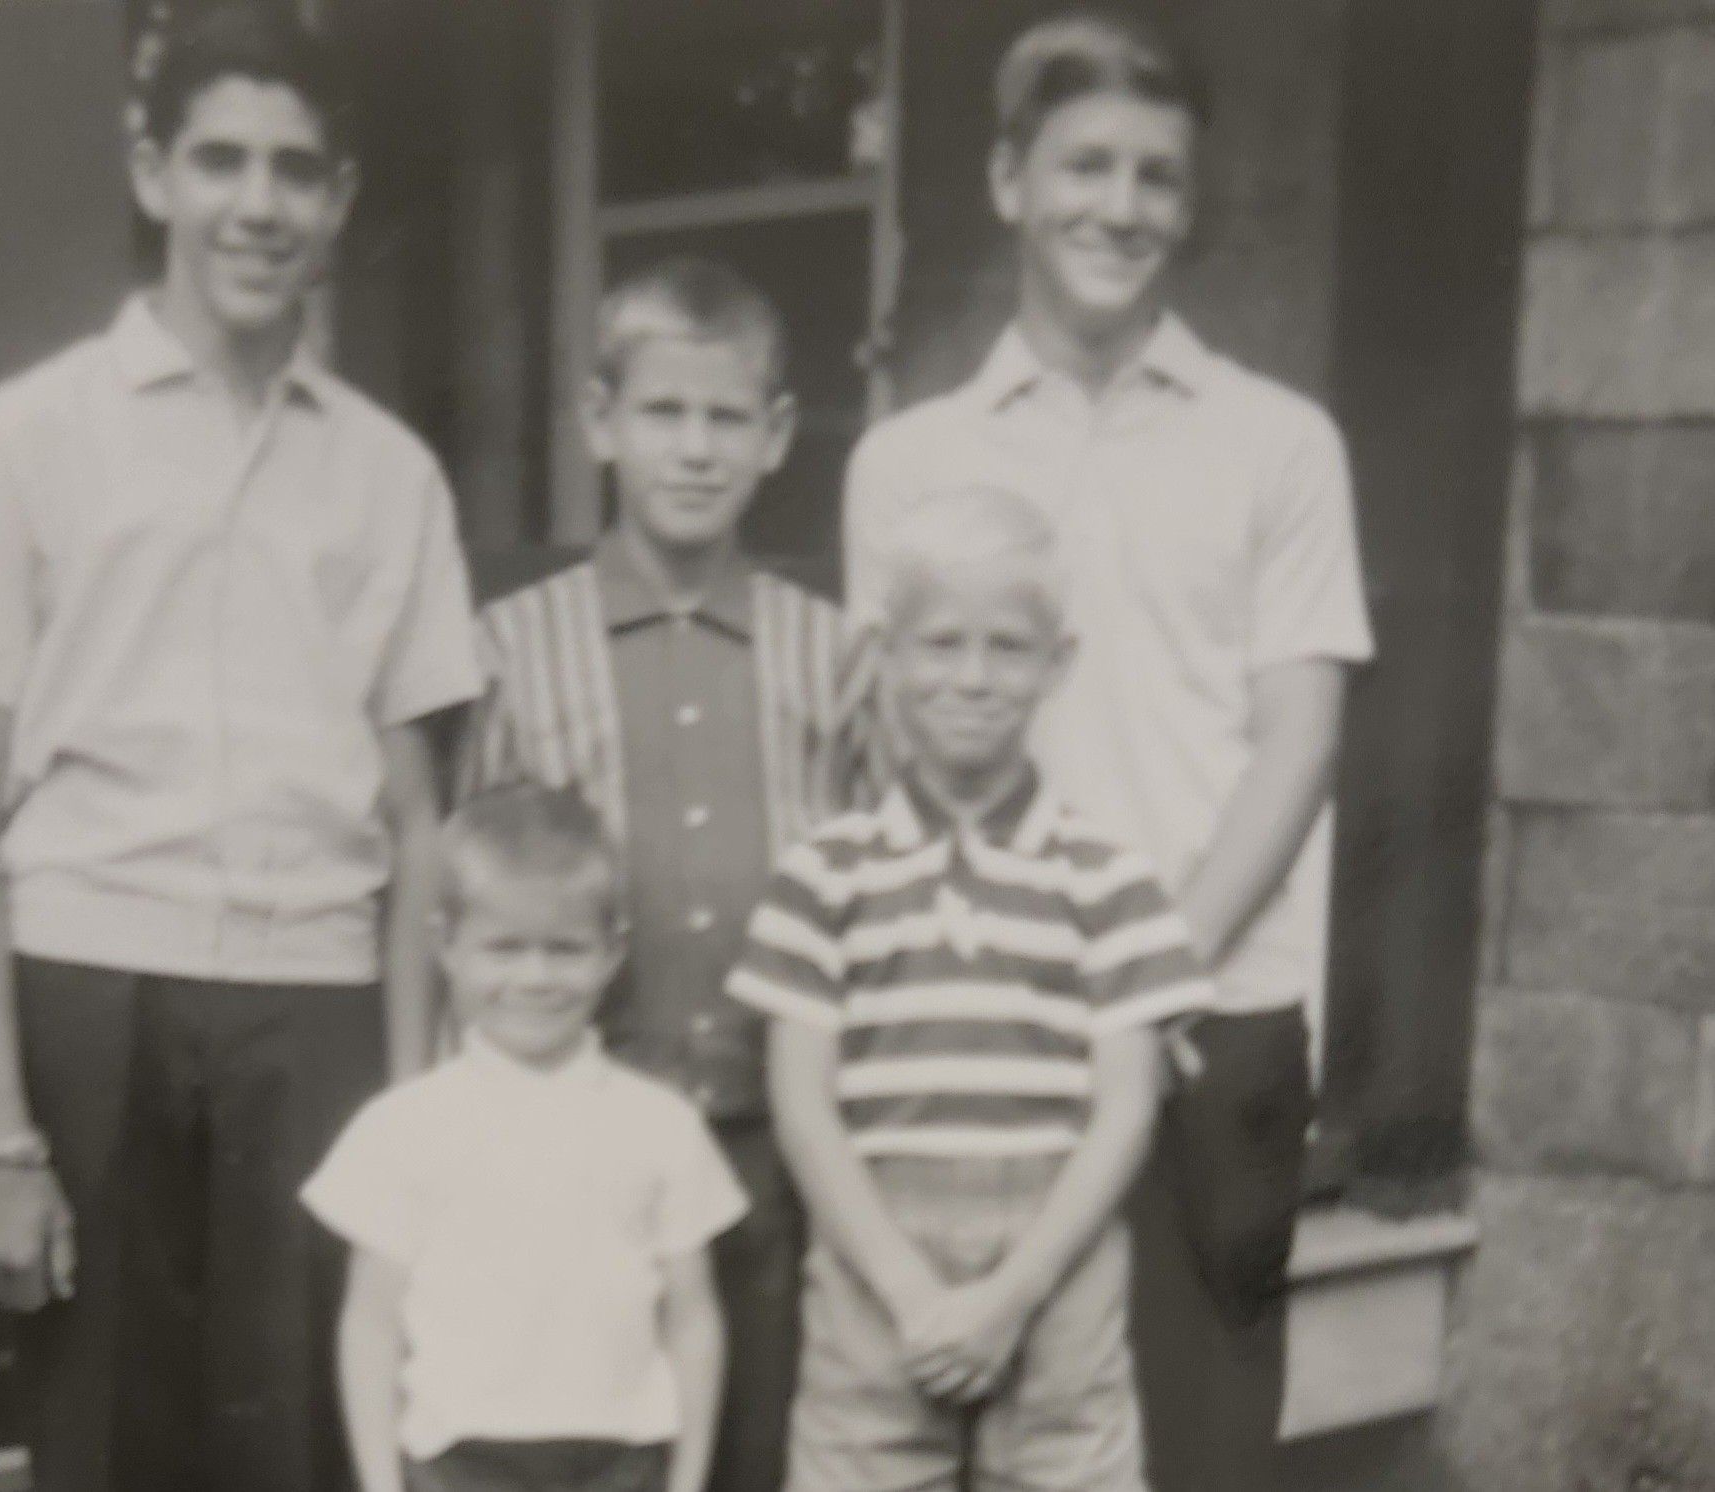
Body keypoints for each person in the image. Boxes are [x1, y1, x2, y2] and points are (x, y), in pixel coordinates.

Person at [0, 8, 483, 1489]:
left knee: (315, 1443)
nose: (256, 204)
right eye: (219, 161)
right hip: (92, 994)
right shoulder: (25, 437)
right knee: (106, 1445)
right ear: (151, 174)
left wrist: (406, 1123)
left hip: (316, 1004)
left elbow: (415, 811)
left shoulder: (390, 475)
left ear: (338, 200)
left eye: (295, 169)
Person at [841, 12, 1376, 1489]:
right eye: (1084, 166)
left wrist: (1152, 976)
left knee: (1198, 1446)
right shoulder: (906, 462)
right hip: (977, 1009)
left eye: (1154, 177)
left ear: (1188, 204)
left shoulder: (1279, 445)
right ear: (1009, 180)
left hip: (1216, 1013)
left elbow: (1298, 734)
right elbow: (892, 749)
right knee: (973, 1422)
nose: (1118, 207)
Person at [456, 255, 855, 1492]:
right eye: (663, 413)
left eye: (726, 417)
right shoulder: (515, 649)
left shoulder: (830, 654)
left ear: (776, 433)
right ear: (598, 421)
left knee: (751, 1450)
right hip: (576, 1141)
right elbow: (472, 900)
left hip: (770, 1151)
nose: (694, 449)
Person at [729, 488, 1214, 1492]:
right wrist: (906, 1287)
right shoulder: (825, 874)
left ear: (1056, 664)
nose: (972, 677)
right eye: (940, 644)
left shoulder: (1107, 877)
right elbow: (803, 1106)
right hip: (872, 1262)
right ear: (886, 656)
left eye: (1006, 648)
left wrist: (1014, 1292)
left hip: (1057, 1262)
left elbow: (1128, 1106)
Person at [302, 784, 746, 1492]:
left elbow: (693, 1319)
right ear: (446, 945)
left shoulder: (660, 1125)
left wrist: (687, 1481)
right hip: (456, 1462)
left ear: (611, 952)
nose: (535, 978)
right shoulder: (404, 1126)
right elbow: (370, 1325)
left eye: (565, 950)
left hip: (618, 1462)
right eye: (503, 948)